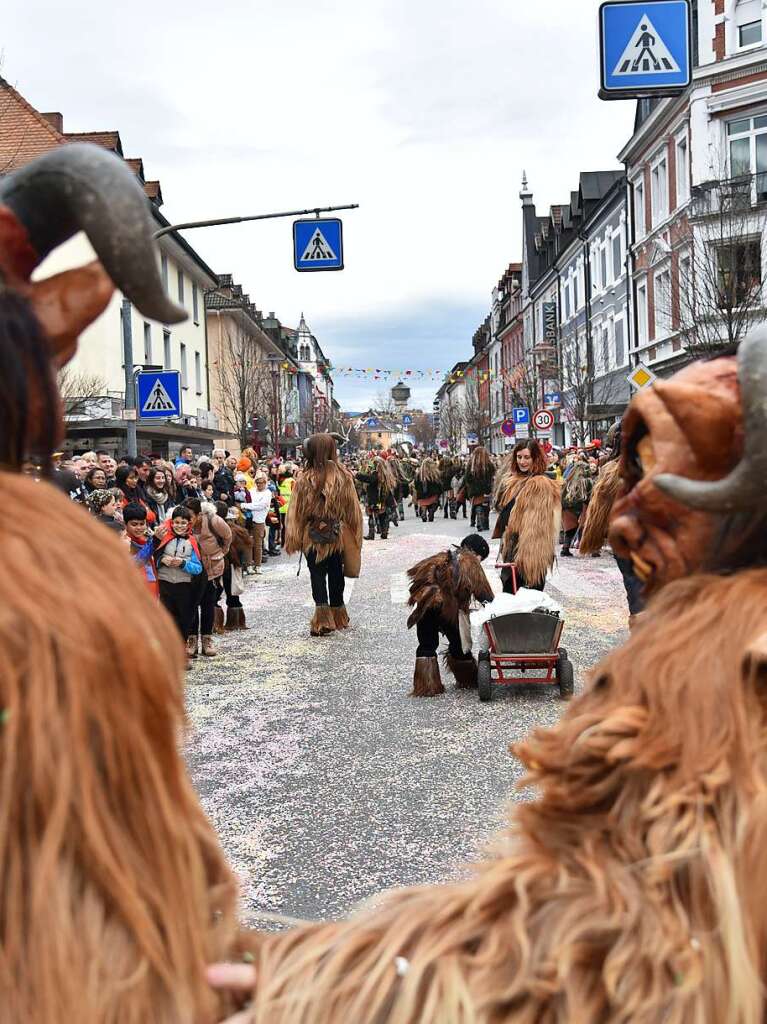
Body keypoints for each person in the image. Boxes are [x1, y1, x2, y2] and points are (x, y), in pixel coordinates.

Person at [285, 434, 363, 636]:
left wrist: (294, 537)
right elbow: (353, 510)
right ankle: (338, 614)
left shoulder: (304, 478)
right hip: (337, 534)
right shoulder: (343, 476)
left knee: (317, 575)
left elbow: (295, 512)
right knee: (336, 573)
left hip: (312, 535)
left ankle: (322, 619)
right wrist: (354, 535)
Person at [406, 534, 494, 696]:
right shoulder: (471, 563)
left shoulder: (440, 557)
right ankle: (467, 679)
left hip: (425, 603)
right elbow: (485, 595)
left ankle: (426, 686)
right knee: (460, 644)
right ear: (478, 554)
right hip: (448, 607)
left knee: (427, 644)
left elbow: (416, 577)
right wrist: (495, 608)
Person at [493, 439, 561, 592]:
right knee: (511, 595)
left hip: (530, 552)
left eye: (526, 457)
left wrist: (527, 560)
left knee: (528, 598)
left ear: (535, 458)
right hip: (512, 547)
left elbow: (536, 528)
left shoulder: (540, 484)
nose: (522, 461)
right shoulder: (513, 482)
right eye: (519, 457)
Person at [184, 497, 232, 659]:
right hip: (190, 569)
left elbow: (227, 537)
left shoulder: (213, 520)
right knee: (191, 604)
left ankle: (207, 639)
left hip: (212, 568)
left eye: (190, 516)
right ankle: (192, 639)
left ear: (199, 514)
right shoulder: (181, 523)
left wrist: (220, 554)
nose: (187, 519)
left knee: (208, 603)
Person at [154, 507, 204, 653]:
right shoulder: (163, 538)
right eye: (176, 522)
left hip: (184, 585)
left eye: (183, 523)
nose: (179, 526)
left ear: (189, 524)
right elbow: (153, 558)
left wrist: (183, 564)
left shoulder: (192, 542)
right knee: (167, 619)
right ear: (171, 522)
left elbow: (198, 568)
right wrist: (162, 560)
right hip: (165, 584)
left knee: (184, 619)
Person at [122, 501, 160, 597]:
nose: (139, 528)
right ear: (125, 524)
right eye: (134, 524)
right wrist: (154, 542)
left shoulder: (148, 538)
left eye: (142, 524)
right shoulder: (123, 542)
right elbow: (136, 562)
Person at [356, 456, 397, 540]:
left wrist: (357, 475)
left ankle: (372, 533)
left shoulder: (375, 474)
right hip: (380, 501)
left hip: (374, 501)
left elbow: (369, 479)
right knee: (382, 515)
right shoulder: (384, 475)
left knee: (372, 515)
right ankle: (384, 532)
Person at [560, 455, 594, 556]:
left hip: (567, 506)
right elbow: (588, 497)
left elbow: (563, 495)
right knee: (586, 528)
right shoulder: (587, 482)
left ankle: (565, 548)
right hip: (582, 506)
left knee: (570, 529)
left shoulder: (568, 482)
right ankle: (591, 549)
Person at [245, 472, 273, 574]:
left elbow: (260, 506)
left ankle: (258, 565)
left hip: (259, 521)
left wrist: (245, 506)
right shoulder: (251, 491)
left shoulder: (268, 493)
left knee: (258, 545)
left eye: (262, 482)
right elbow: (251, 503)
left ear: (265, 483)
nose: (259, 484)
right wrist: (249, 505)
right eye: (258, 482)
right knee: (248, 543)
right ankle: (249, 565)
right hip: (249, 520)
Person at [463, 445, 495, 532]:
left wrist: (470, 485)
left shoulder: (471, 465)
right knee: (486, 507)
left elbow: (467, 478)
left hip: (475, 490)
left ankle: (478, 516)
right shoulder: (489, 465)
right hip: (486, 489)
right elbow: (492, 475)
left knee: (476, 504)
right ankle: (485, 524)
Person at [412, 457, 442, 522]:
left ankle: (424, 512)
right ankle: (431, 511)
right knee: (434, 503)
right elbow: (439, 484)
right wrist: (439, 492)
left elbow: (416, 484)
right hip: (433, 494)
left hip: (422, 495)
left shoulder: (419, 474)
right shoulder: (435, 473)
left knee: (423, 504)